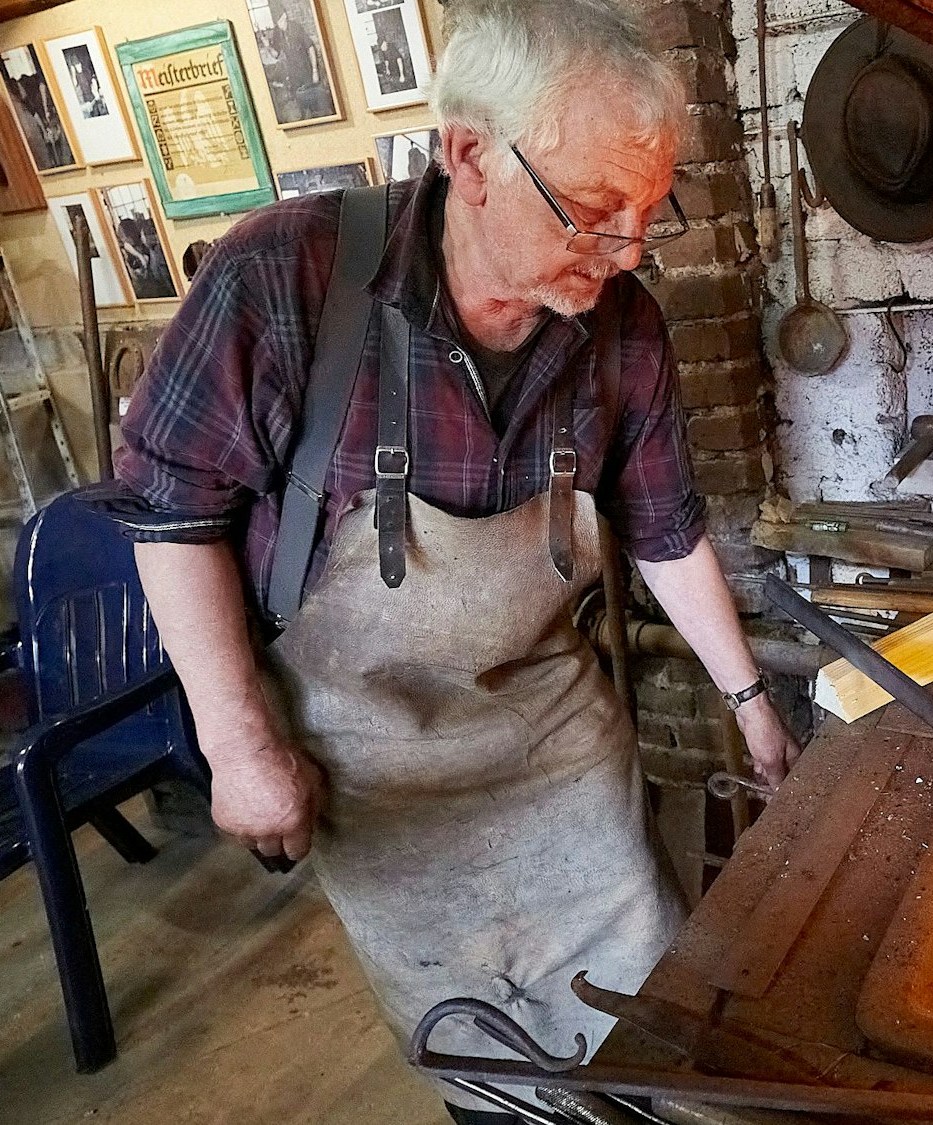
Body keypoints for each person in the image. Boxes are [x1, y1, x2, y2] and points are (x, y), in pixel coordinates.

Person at [105, 1, 798, 1120]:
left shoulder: (622, 330)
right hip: (372, 773)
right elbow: (170, 513)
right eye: (589, 209)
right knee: (488, 1065)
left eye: (646, 212)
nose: (624, 251)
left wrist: (752, 702)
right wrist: (238, 747)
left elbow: (664, 529)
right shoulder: (286, 280)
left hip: (556, 751)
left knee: (660, 1042)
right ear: (468, 154)